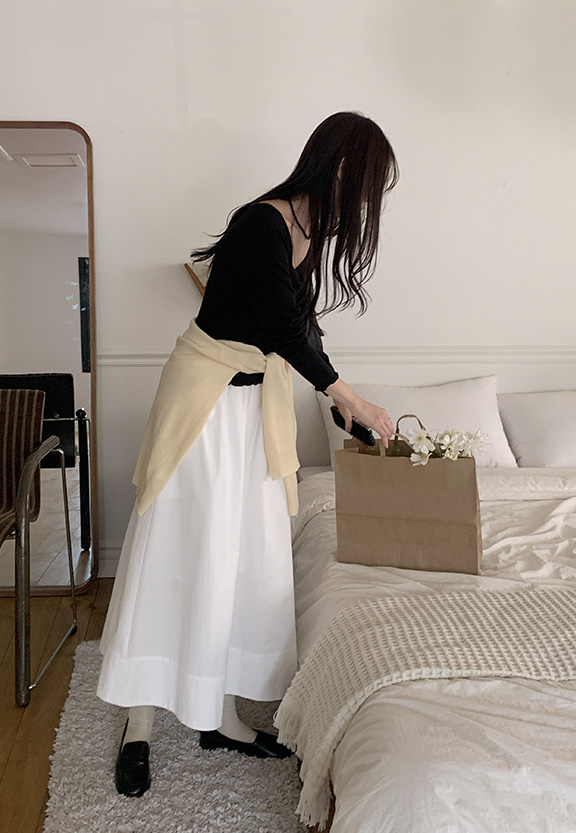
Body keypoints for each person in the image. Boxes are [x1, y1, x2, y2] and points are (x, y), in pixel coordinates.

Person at [97, 111, 398, 797]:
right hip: (204, 403)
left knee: (239, 556)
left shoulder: (308, 234)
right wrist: (347, 395)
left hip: (253, 409)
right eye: (368, 181)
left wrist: (341, 403)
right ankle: (138, 725)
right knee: (174, 549)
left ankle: (222, 716)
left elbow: (301, 330)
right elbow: (282, 325)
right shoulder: (261, 222)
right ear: (340, 167)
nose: (368, 201)